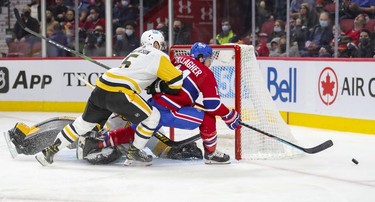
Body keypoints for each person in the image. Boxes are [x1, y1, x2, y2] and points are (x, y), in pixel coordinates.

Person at [35, 29, 183, 166]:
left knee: (82, 124)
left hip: (102, 88)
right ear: (155, 43)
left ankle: (49, 152)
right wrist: (159, 87)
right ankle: (134, 153)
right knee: (153, 117)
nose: (162, 47)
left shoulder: (135, 52)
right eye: (161, 43)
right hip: (121, 92)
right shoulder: (159, 55)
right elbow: (177, 82)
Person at [5, 115, 202, 164]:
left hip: (105, 144)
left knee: (78, 133)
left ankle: (25, 140)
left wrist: (174, 150)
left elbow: (157, 144)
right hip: (103, 134)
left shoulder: (144, 123)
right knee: (74, 127)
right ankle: (26, 138)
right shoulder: (134, 114)